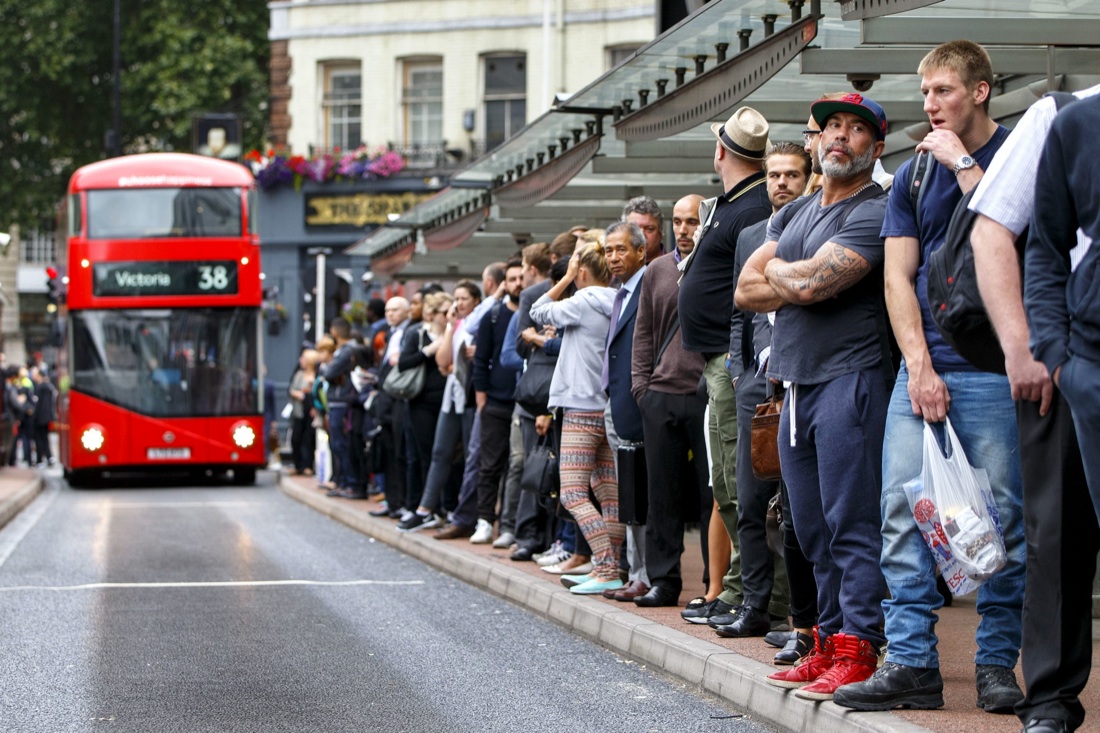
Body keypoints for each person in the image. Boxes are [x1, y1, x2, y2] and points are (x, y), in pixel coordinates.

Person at [834, 40, 1025, 713]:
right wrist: (917, 366)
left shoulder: (1016, 155)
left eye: (942, 90)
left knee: (1004, 524)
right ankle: (912, 659)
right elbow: (897, 276)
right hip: (924, 372)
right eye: (924, 94)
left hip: (999, 372)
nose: (930, 105)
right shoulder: (914, 173)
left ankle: (997, 662)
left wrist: (968, 169)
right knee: (901, 515)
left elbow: (1016, 245)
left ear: (979, 90)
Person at [735, 92, 891, 700]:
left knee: (851, 522)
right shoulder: (800, 213)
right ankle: (826, 641)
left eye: (856, 130)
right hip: (796, 385)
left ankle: (859, 646)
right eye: (831, 127)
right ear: (816, 138)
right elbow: (748, 291)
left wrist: (788, 277)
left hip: (851, 378)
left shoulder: (874, 210)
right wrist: (793, 278)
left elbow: (810, 286)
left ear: (875, 148)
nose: (840, 137)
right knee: (810, 527)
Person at [991, 84, 1100, 733]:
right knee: (1058, 532)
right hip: (1082, 363)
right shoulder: (1066, 119)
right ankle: (1052, 698)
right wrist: (1042, 350)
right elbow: (1021, 238)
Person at [677, 106, 772, 626]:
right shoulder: (732, 204)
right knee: (728, 481)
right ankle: (741, 588)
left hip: (730, 362)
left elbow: (744, 294)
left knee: (741, 483)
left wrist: (736, 363)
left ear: (720, 152)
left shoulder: (749, 208)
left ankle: (752, 592)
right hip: (719, 358)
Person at [719, 142, 812, 641]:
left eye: (791, 175)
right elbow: (740, 312)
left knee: (799, 507)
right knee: (749, 499)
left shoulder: (819, 225)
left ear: (807, 178)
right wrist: (738, 368)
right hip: (754, 382)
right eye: (774, 174)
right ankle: (754, 605)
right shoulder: (751, 234)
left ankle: (801, 618)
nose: (780, 183)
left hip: (803, 376)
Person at [629, 194, 710, 608]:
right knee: (662, 496)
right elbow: (642, 334)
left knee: (712, 495)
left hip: (704, 395)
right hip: (659, 395)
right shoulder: (656, 270)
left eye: (691, 220)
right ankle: (664, 580)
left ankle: (717, 584)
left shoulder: (715, 262)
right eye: (677, 221)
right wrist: (642, 390)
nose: (683, 229)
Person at [530, 235, 622, 595]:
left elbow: (538, 311)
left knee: (571, 493)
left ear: (581, 270)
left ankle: (606, 565)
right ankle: (610, 565)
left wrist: (566, 280)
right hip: (604, 404)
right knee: (608, 492)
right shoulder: (616, 299)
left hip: (580, 407)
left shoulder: (581, 299)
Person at [398, 281, 481, 531]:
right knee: (438, 453)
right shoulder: (454, 327)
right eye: (455, 299)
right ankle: (425, 509)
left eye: (463, 298)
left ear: (477, 300)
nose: (458, 304)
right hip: (451, 396)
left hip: (470, 397)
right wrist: (450, 329)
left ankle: (467, 514)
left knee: (470, 456)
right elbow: (443, 363)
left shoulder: (478, 323)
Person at [600, 221, 649, 601]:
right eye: (608, 251)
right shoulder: (618, 293)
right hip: (616, 403)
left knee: (640, 492)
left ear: (640, 251)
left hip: (638, 404)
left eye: (620, 249)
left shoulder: (648, 285)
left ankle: (644, 574)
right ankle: (635, 572)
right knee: (627, 492)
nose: (613, 257)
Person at [470, 260, 524, 544]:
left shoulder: (533, 313)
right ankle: (484, 520)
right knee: (490, 464)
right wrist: (482, 398)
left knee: (517, 466)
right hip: (495, 401)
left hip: (523, 402)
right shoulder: (493, 316)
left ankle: (509, 525)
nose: (517, 283)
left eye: (520, 278)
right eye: (512, 278)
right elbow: (481, 359)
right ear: (505, 283)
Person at [399, 289, 450, 513]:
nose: (449, 316)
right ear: (431, 314)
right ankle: (424, 505)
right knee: (424, 454)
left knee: (447, 455)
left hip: (448, 400)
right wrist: (428, 351)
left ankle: (446, 506)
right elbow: (403, 363)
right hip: (421, 401)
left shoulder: (455, 332)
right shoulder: (416, 333)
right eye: (444, 312)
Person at [288, 349, 319, 476]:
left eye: (304, 359)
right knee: (296, 438)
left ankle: (308, 465)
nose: (301, 361)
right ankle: (298, 464)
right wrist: (298, 394)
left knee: (309, 439)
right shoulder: (299, 374)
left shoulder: (317, 375)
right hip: (299, 410)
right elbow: (291, 389)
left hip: (310, 411)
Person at [622, 196, 664, 263]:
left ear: (660, 233)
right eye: (634, 229)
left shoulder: (678, 269)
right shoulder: (611, 269)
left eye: (649, 229)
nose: (641, 235)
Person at [30, 366, 56, 467]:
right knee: (45, 438)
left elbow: (37, 404)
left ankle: (40, 459)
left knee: (39, 439)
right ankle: (49, 457)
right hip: (48, 417)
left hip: (39, 418)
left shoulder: (39, 388)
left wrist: (33, 417)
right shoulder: (49, 387)